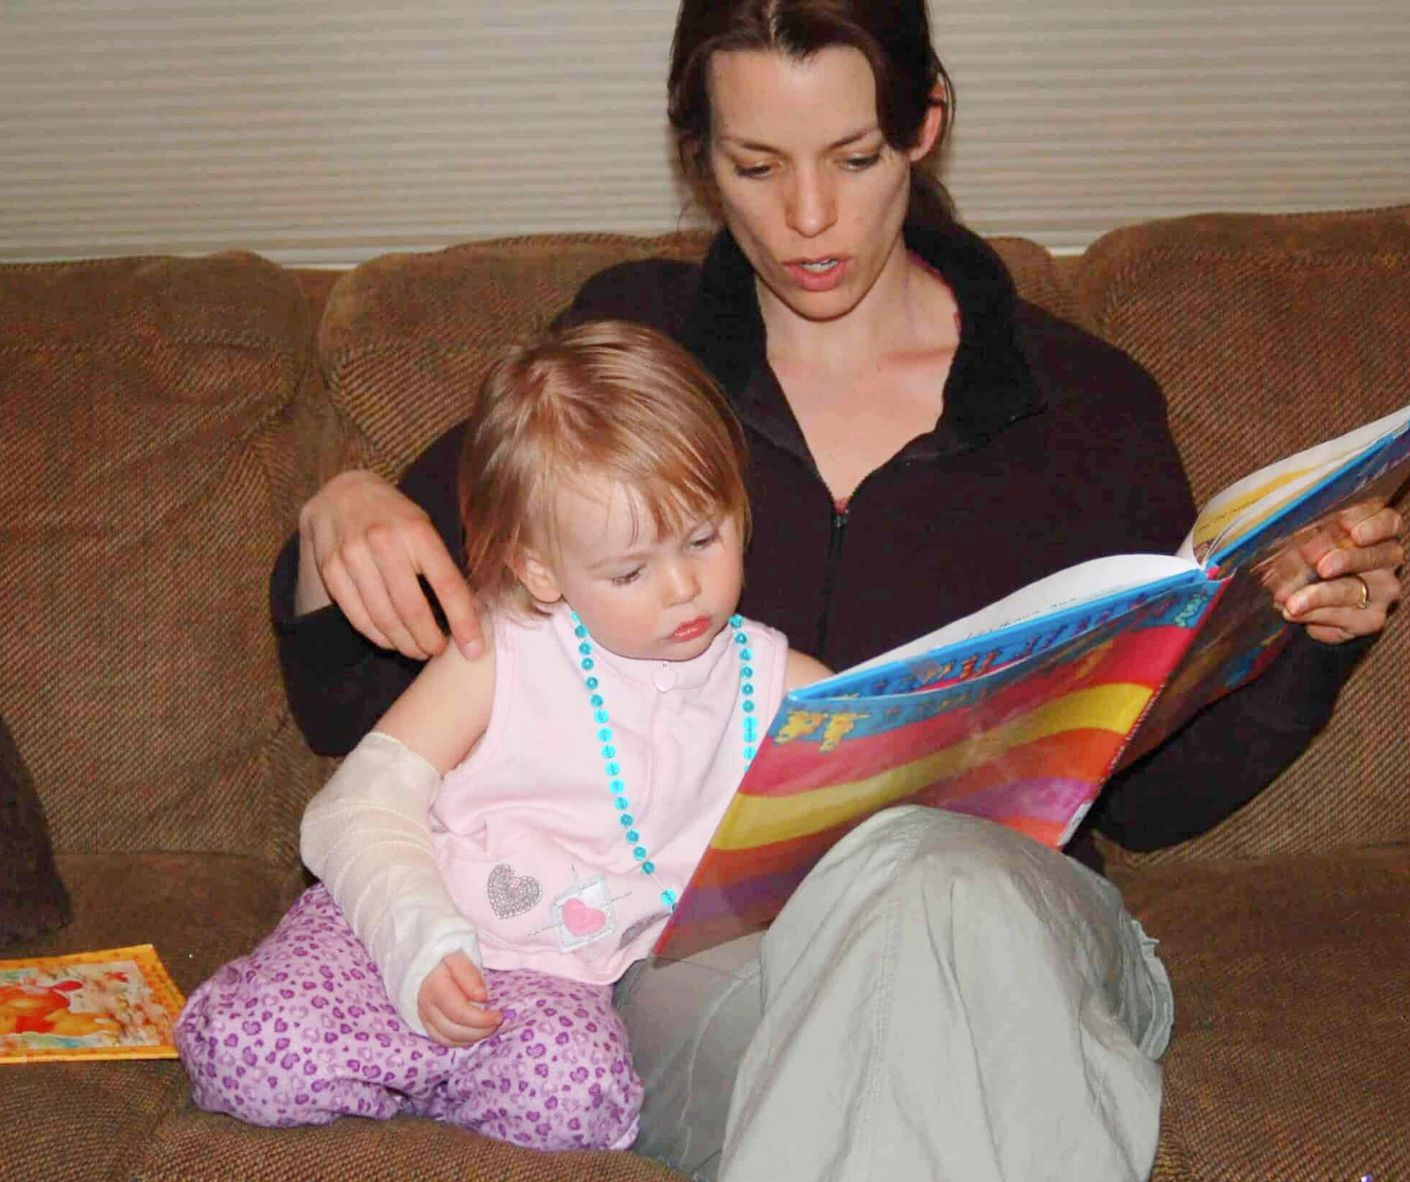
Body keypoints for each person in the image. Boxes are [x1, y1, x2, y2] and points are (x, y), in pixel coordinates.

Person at [268, 1, 1404, 1177]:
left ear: (924, 126)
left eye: (853, 159)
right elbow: (377, 703)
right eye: (756, 167)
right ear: (700, 159)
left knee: (928, 879)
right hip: (713, 974)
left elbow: (1151, 805)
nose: (808, 219)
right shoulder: (636, 356)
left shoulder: (1086, 407)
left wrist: (1303, 636)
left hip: (1013, 926)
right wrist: (339, 512)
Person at [177, 319, 829, 1150]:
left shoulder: (775, 681)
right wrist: (417, 939)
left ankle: (426, 1082)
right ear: (540, 571)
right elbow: (355, 807)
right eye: (630, 570)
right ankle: (398, 1065)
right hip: (401, 923)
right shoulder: (505, 647)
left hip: (557, 976)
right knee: (245, 1057)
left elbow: (890, 746)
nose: (684, 588)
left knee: (579, 1107)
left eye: (704, 538)